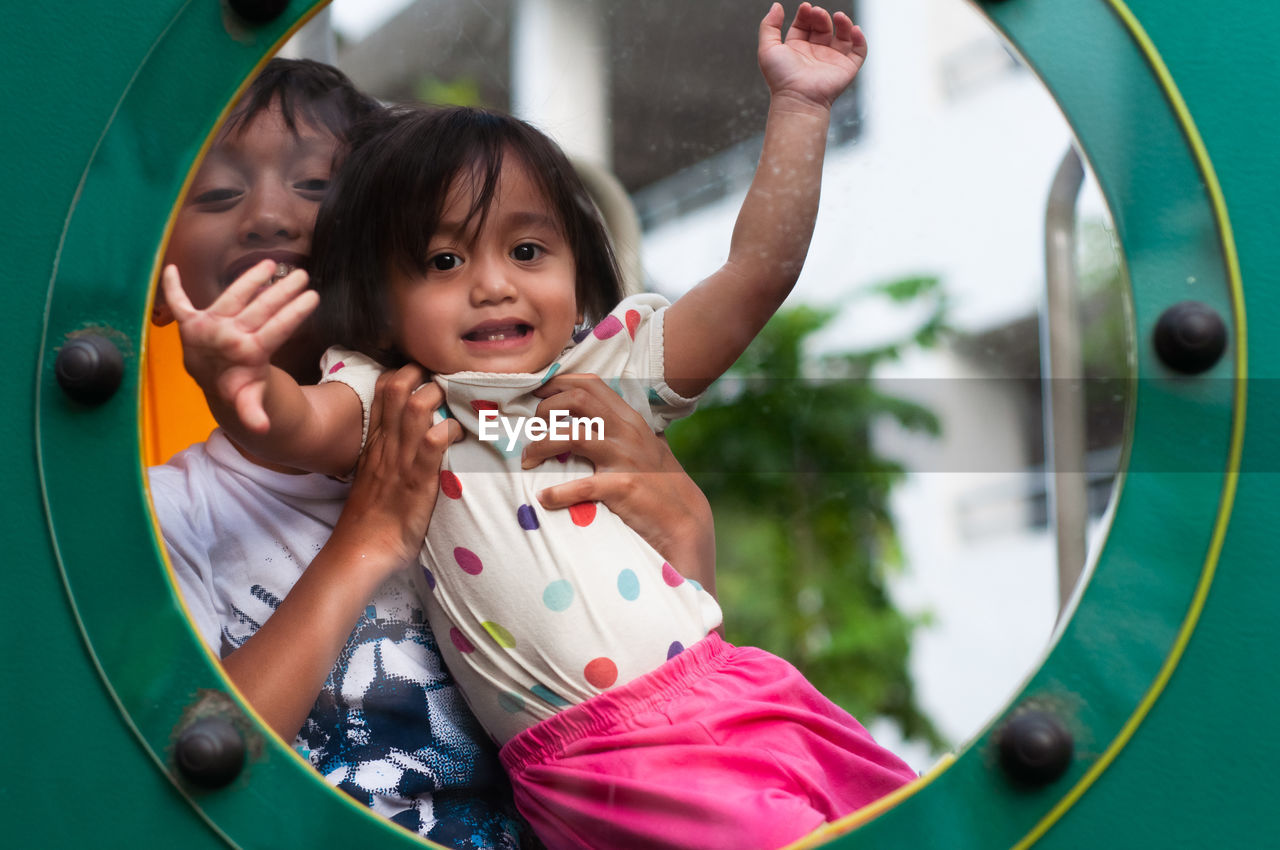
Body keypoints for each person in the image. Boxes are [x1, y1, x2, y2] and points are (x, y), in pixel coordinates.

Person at [162, 5, 916, 848]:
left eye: (527, 252)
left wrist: (802, 112)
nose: (493, 285)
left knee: (928, 821)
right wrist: (236, 376)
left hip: (737, 688)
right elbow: (289, 426)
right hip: (606, 753)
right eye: (444, 260)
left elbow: (752, 279)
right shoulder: (400, 405)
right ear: (370, 287)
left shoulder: (601, 379)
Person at [149, 58, 717, 849]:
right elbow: (179, 768)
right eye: (216, 193)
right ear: (149, 272)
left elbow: (655, 694)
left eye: (316, 187)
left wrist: (687, 537)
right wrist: (368, 539)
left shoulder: (531, 438)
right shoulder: (170, 512)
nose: (271, 216)